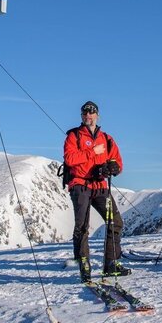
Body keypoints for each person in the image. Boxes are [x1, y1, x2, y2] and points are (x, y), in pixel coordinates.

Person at [64, 100, 130, 281]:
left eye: (91, 113)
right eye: (85, 113)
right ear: (81, 116)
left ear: (97, 115)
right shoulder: (74, 136)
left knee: (115, 222)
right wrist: (92, 151)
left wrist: (113, 168)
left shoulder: (107, 138)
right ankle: (84, 263)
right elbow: (70, 159)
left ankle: (111, 263)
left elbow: (117, 160)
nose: (88, 116)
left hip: (100, 186)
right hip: (80, 185)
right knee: (82, 225)